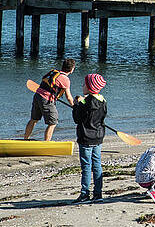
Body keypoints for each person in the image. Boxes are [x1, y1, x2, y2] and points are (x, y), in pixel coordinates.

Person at [72, 73, 108, 204]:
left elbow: (77, 119)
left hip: (86, 138)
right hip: (98, 137)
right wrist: (81, 102)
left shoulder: (85, 104)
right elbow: (101, 117)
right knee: (97, 165)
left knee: (86, 167)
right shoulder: (103, 101)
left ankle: (85, 194)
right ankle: (98, 193)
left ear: (89, 87)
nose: (82, 86)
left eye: (84, 84)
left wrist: (76, 105)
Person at [24, 59, 76, 141]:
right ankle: (47, 143)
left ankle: (25, 139)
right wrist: (74, 106)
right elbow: (69, 97)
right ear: (72, 69)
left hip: (37, 95)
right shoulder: (65, 79)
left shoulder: (53, 72)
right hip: (46, 99)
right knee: (52, 123)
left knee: (34, 119)